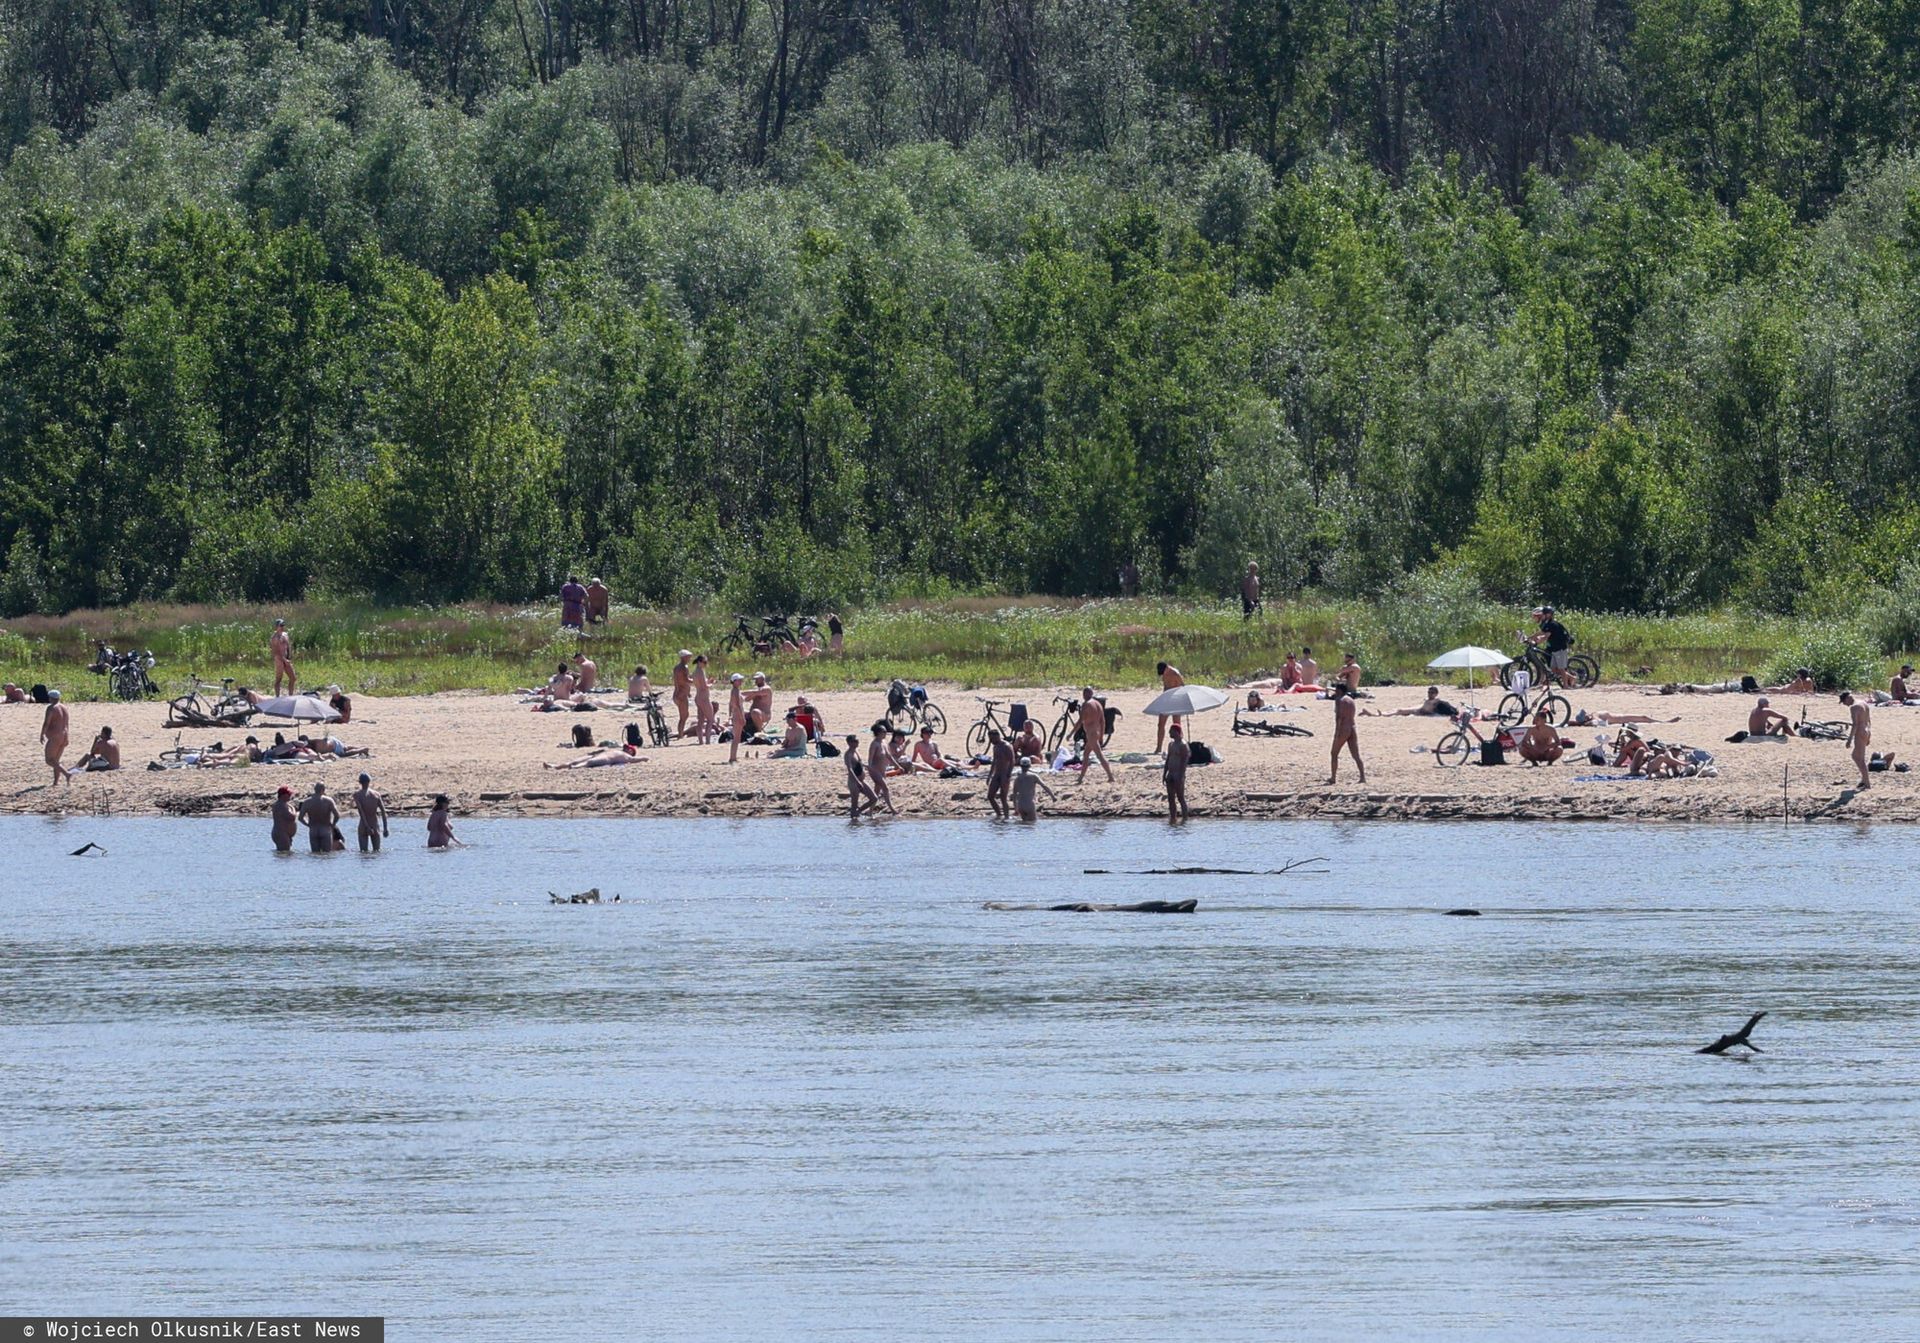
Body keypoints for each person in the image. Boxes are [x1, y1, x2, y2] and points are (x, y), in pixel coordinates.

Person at [1075, 687, 1114, 784]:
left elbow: (1080, 721)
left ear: (1085, 694)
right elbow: (1103, 721)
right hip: (1095, 733)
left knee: (1099, 756)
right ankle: (1081, 778)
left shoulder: (1086, 705)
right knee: (1086, 754)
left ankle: (1110, 776)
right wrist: (1101, 736)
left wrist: (1071, 733)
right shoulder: (1098, 704)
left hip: (1091, 734)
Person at [1328, 682, 1364, 784]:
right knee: (1356, 755)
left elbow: (1339, 717)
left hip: (1343, 728)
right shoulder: (1351, 700)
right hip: (1352, 727)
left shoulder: (1340, 700)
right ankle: (1362, 777)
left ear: (1339, 691)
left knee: (1334, 753)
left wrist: (1337, 732)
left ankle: (1333, 778)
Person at [1529, 606, 1574, 688]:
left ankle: (1565, 685)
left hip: (1559, 648)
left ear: (1548, 615)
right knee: (1553, 669)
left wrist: (1536, 641)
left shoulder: (1552, 624)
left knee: (1561, 669)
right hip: (1554, 649)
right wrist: (1531, 638)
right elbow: (1541, 632)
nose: (1542, 615)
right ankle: (1571, 677)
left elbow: (1546, 635)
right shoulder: (1547, 623)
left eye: (1544, 614)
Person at [297, 782, 340, 854]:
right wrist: (333, 824)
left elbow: (300, 818)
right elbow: (337, 815)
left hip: (313, 830)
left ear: (314, 789)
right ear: (323, 790)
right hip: (325, 829)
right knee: (327, 854)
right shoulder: (328, 801)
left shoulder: (307, 802)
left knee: (315, 854)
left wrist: (308, 824)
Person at [843, 733, 879, 818]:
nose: (857, 743)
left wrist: (867, 767)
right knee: (854, 804)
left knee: (874, 798)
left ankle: (858, 812)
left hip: (862, 780)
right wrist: (857, 781)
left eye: (857, 741)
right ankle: (853, 821)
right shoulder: (848, 754)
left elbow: (859, 764)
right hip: (854, 782)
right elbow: (850, 769)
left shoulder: (856, 751)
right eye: (855, 741)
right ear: (849, 743)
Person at [1364, 687, 1458, 718]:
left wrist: (1423, 711)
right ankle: (1377, 714)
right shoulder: (1430, 701)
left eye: (1432, 693)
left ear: (1436, 694)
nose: (1430, 694)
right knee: (1397, 709)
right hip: (1419, 708)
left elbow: (1434, 711)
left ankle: (1377, 715)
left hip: (1419, 710)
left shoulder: (1436, 702)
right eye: (1429, 692)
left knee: (1399, 710)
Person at [1842, 692, 1872, 789]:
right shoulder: (1863, 703)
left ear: (1847, 698)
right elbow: (1868, 720)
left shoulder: (1854, 707)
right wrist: (1869, 735)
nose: (1844, 704)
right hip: (1866, 730)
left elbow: (1855, 724)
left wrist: (1849, 739)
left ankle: (1866, 782)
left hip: (1860, 732)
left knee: (1859, 758)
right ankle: (1864, 779)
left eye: (1844, 701)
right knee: (1856, 756)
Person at [352, 773, 389, 852]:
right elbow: (383, 811)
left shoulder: (357, 795)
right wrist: (385, 828)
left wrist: (367, 827)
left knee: (363, 853)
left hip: (363, 826)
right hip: (375, 825)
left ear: (360, 782)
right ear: (369, 781)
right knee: (377, 852)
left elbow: (361, 812)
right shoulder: (376, 794)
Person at [1011, 758, 1056, 822]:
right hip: (1029, 804)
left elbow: (1014, 794)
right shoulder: (1033, 776)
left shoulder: (1017, 778)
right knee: (1032, 824)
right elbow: (1044, 786)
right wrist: (1053, 797)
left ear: (1020, 766)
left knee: (1024, 825)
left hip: (1020, 805)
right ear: (1029, 765)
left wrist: (1016, 808)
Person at [40, 689, 70, 786]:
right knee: (56, 761)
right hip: (64, 735)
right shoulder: (64, 707)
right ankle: (55, 782)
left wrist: (42, 734)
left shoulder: (51, 708)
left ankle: (66, 773)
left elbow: (46, 723)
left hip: (55, 736)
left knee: (49, 760)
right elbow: (66, 723)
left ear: (51, 698)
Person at [1154, 661, 1185, 752]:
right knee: (1160, 724)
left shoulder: (1175, 673)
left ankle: (1180, 745)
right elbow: (1165, 686)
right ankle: (1159, 747)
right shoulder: (1164, 673)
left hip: (1176, 700)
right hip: (1166, 700)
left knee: (1176, 724)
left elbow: (1183, 686)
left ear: (1167, 668)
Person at [1163, 723, 1190, 824]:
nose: (1169, 733)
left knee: (1180, 797)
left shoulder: (1183, 745)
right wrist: (1164, 773)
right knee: (1170, 798)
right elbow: (1168, 759)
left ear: (1177, 732)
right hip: (1170, 773)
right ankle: (1173, 818)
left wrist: (1181, 775)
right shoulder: (1171, 744)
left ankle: (1185, 819)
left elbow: (1184, 762)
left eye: (1171, 731)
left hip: (1178, 774)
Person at [867, 723, 897, 812]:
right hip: (875, 771)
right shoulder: (874, 744)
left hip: (882, 770)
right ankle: (892, 809)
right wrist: (870, 768)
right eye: (884, 731)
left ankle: (870, 811)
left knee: (876, 791)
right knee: (885, 788)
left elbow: (889, 756)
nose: (886, 733)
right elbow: (870, 759)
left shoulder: (884, 742)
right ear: (878, 733)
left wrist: (897, 765)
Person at [985, 729, 1014, 819]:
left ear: (997, 736)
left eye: (992, 739)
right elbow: (994, 761)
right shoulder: (995, 747)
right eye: (990, 739)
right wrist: (990, 775)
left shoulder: (1006, 746)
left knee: (1003, 797)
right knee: (990, 796)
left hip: (1004, 774)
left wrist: (1008, 774)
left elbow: (1012, 760)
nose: (991, 741)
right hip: (997, 774)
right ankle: (999, 815)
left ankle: (1006, 817)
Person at [545, 743, 642, 769]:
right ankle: (555, 766)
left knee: (589, 763)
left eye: (628, 749)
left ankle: (575, 768)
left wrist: (645, 758)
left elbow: (634, 759)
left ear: (631, 751)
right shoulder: (619, 752)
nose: (625, 749)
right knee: (574, 761)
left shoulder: (626, 756)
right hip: (598, 755)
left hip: (606, 758)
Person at [692, 655, 716, 745]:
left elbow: (701, 684)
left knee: (701, 720)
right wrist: (712, 684)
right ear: (699, 662)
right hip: (703, 698)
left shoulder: (695, 672)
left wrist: (708, 682)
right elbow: (704, 687)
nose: (706, 664)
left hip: (698, 697)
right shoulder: (700, 672)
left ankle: (701, 741)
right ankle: (708, 741)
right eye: (704, 662)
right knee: (710, 719)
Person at [270, 618, 296, 696]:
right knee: (279, 679)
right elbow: (276, 651)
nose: (282, 627)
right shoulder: (274, 638)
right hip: (279, 659)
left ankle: (290, 695)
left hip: (286, 658)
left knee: (293, 678)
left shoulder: (285, 634)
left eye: (283, 625)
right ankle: (277, 696)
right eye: (280, 625)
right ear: (276, 626)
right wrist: (284, 660)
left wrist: (289, 656)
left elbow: (288, 646)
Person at [672, 650, 693, 737]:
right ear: (683, 657)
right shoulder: (684, 667)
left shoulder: (677, 667)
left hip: (678, 693)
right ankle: (680, 734)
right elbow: (686, 680)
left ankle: (680, 733)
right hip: (681, 694)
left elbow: (679, 681)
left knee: (684, 715)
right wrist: (696, 680)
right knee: (683, 716)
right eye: (688, 657)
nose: (689, 658)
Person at [727, 673, 747, 764]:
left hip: (736, 714)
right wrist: (742, 717)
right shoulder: (735, 691)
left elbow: (731, 704)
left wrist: (730, 715)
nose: (741, 682)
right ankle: (732, 757)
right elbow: (738, 705)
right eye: (739, 680)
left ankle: (733, 756)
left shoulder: (735, 691)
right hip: (737, 715)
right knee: (736, 738)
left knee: (737, 737)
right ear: (734, 681)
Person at [271, 785, 298, 853]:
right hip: (281, 834)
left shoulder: (284, 804)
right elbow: (292, 817)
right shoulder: (281, 805)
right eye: (288, 794)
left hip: (284, 834)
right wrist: (293, 808)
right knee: (284, 854)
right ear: (283, 795)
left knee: (286, 854)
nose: (290, 796)